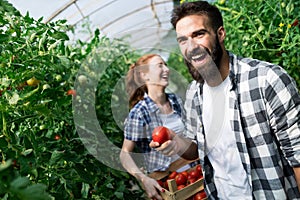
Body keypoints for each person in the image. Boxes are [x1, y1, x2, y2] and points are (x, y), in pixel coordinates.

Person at [150, 1, 300, 199]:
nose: (191, 47)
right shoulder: (194, 94)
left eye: (198, 34)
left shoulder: (266, 81)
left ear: (220, 34)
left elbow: (298, 158)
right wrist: (176, 142)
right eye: (182, 40)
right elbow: (196, 148)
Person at [120, 53, 194, 200]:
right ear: (144, 75)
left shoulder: (175, 100)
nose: (166, 69)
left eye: (165, 65)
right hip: (168, 184)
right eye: (160, 65)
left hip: (193, 174)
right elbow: (125, 153)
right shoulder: (139, 112)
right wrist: (143, 179)